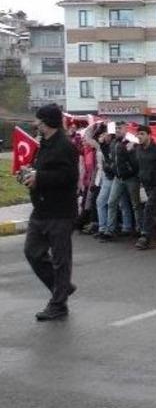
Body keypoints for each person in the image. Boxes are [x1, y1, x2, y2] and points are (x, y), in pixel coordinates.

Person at [22, 104, 79, 321]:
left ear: (47, 122)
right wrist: (29, 174)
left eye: (38, 120)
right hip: (41, 210)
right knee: (32, 252)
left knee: (61, 260)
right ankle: (61, 287)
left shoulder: (66, 146)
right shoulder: (43, 144)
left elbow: (69, 177)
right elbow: (43, 170)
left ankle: (58, 305)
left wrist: (40, 178)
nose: (35, 124)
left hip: (60, 212)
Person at [103, 121, 143, 241]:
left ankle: (140, 229)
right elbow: (110, 158)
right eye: (116, 128)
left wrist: (130, 151)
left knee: (135, 204)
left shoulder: (132, 143)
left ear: (126, 129)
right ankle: (110, 230)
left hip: (131, 178)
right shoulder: (114, 142)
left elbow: (137, 161)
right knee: (112, 202)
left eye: (119, 128)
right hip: (118, 177)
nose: (117, 130)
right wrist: (111, 167)